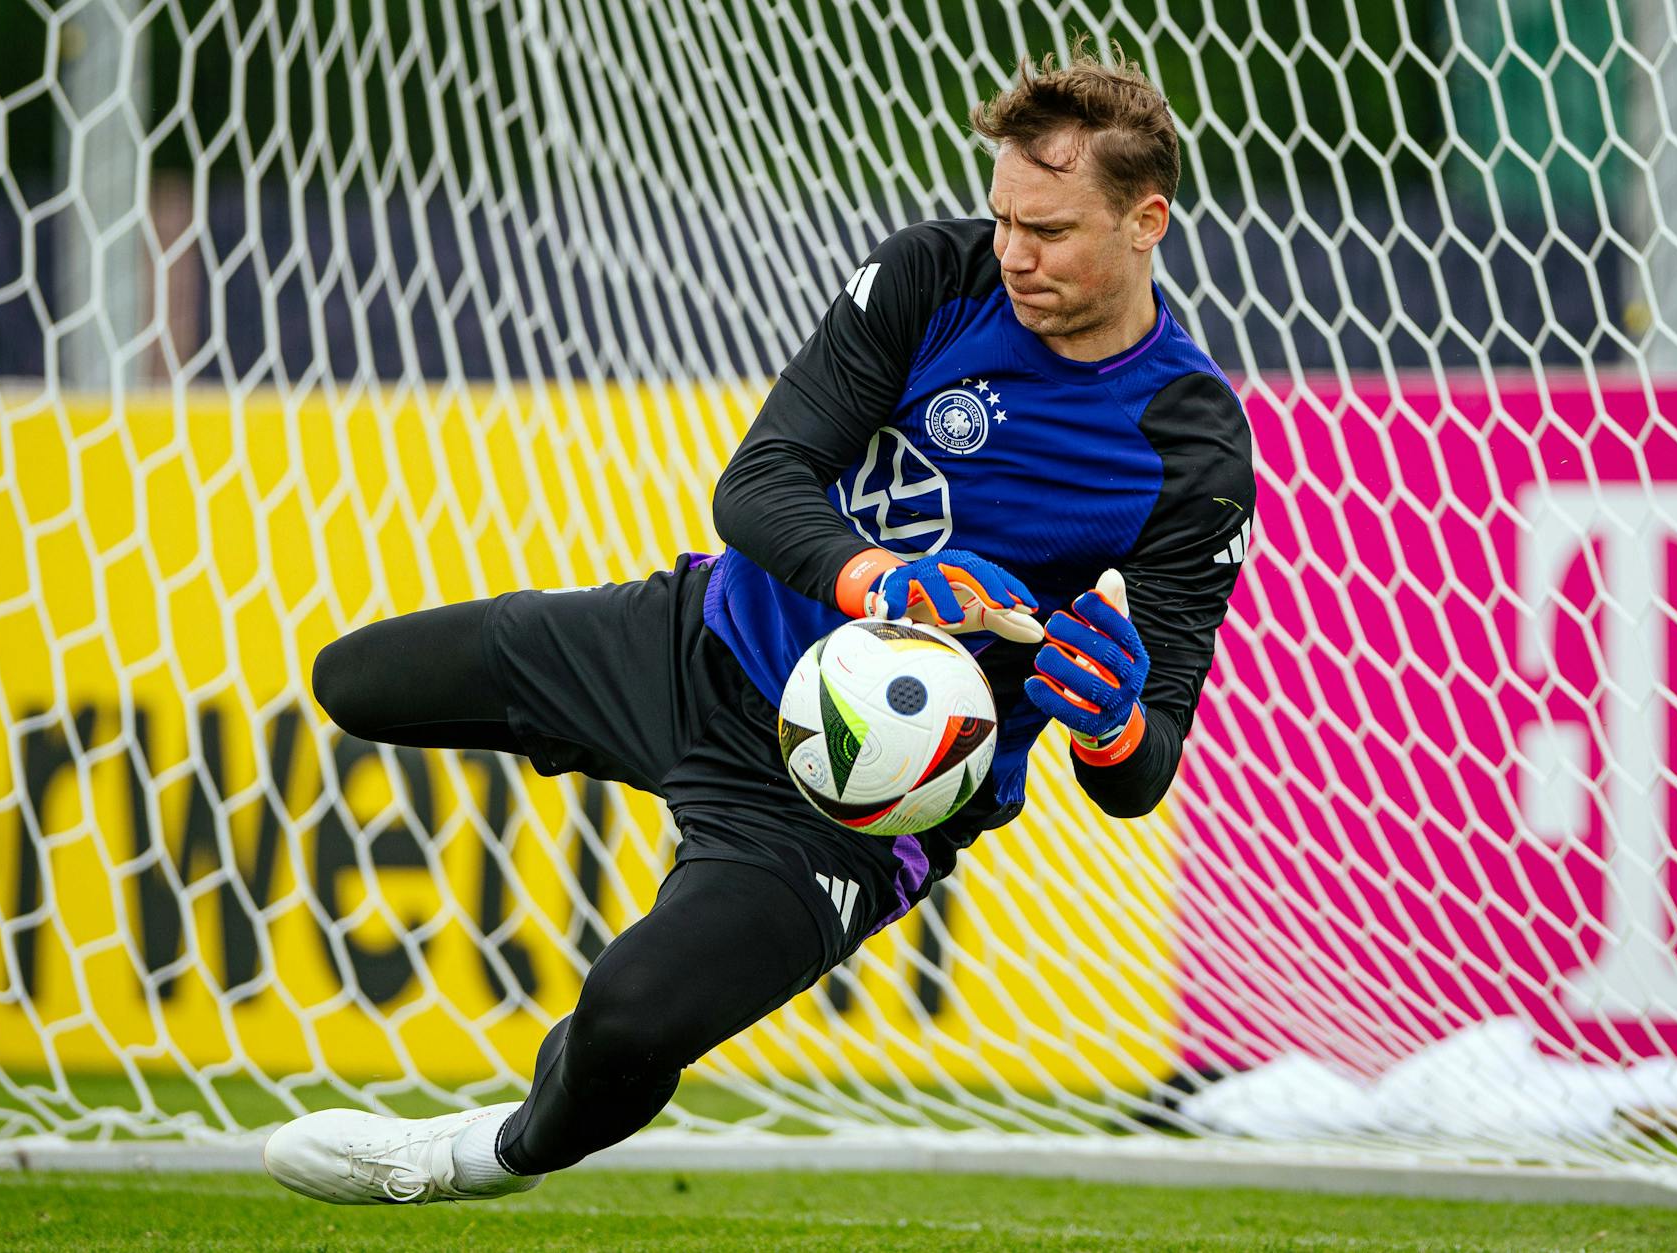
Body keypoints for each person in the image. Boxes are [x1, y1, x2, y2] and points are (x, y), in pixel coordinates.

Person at [264, 39, 1255, 1205]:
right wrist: (879, 580)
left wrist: (1107, 723)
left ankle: (474, 1157)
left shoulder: (1190, 445)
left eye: (1049, 231)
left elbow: (1143, 768)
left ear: (1146, 221)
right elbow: (760, 481)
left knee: (630, 1018)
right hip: (699, 642)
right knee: (356, 679)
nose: (1014, 254)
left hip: (850, 799)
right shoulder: (936, 276)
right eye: (1002, 217)